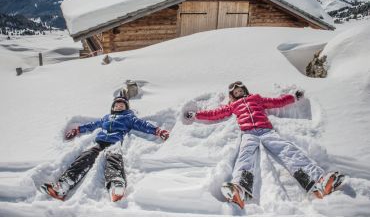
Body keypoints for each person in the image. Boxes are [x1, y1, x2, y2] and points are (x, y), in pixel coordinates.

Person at [184, 81, 343, 209]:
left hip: (267, 131)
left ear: (244, 90)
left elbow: (276, 102)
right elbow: (215, 114)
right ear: (232, 95)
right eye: (235, 92)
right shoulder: (233, 106)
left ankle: (318, 181)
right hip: (248, 134)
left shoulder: (256, 99)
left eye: (239, 89)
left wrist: (293, 97)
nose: (238, 92)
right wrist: (196, 115)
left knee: (289, 151)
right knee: (245, 157)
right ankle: (239, 188)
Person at [41, 96, 170, 202]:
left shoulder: (129, 118)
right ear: (113, 107)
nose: (119, 106)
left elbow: (143, 125)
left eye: (122, 105)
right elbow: (92, 125)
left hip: (115, 142)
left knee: (113, 157)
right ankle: (63, 185)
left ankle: (116, 183)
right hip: (100, 142)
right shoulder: (106, 118)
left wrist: (158, 131)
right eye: (117, 105)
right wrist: (77, 130)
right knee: (86, 156)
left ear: (126, 108)